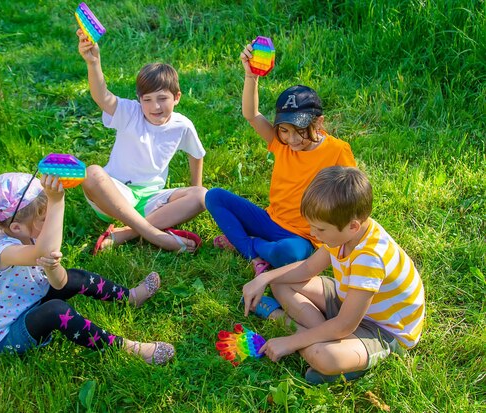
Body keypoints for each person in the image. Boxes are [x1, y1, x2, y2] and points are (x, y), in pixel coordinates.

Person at [242, 166, 425, 384]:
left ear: (353, 226)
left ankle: (284, 321)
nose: (313, 234)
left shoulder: (370, 258)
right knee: (282, 282)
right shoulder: (344, 233)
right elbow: (308, 268)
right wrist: (265, 278)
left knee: (325, 358)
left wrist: (292, 342)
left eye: (320, 229)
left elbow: (344, 325)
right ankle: (320, 340)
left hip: (382, 329)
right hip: (349, 298)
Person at [0, 172, 175, 364]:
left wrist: (53, 268)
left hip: (33, 302)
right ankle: (129, 349)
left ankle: (130, 297)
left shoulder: (32, 234)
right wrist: (57, 202)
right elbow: (45, 251)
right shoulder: (3, 250)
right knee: (55, 311)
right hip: (7, 337)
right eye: (44, 219)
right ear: (16, 228)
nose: (50, 225)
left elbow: (59, 282)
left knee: (73, 277)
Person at [205, 43, 356, 276]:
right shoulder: (281, 143)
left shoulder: (337, 150)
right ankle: (254, 251)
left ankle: (248, 244)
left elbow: (353, 196)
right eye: (284, 130)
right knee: (214, 196)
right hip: (269, 220)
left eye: (299, 130)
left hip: (303, 236)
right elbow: (251, 115)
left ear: (319, 122)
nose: (292, 139)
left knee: (289, 254)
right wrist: (250, 75)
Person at [76, 29, 207, 254]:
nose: (155, 107)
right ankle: (155, 235)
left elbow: (197, 154)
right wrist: (93, 62)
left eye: (162, 98)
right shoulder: (130, 113)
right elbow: (102, 96)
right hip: (115, 196)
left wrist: (192, 189)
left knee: (202, 195)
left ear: (176, 97)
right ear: (139, 100)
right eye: (147, 100)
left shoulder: (182, 125)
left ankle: (127, 233)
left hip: (151, 200)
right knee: (92, 174)